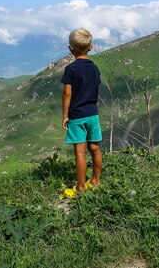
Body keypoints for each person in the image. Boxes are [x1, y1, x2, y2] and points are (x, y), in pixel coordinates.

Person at [61, 28, 102, 194]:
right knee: (95, 148)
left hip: (77, 116)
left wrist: (65, 115)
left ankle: (80, 187)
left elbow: (67, 93)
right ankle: (96, 180)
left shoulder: (71, 69)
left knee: (80, 152)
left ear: (70, 49)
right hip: (93, 113)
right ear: (91, 47)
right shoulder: (95, 68)